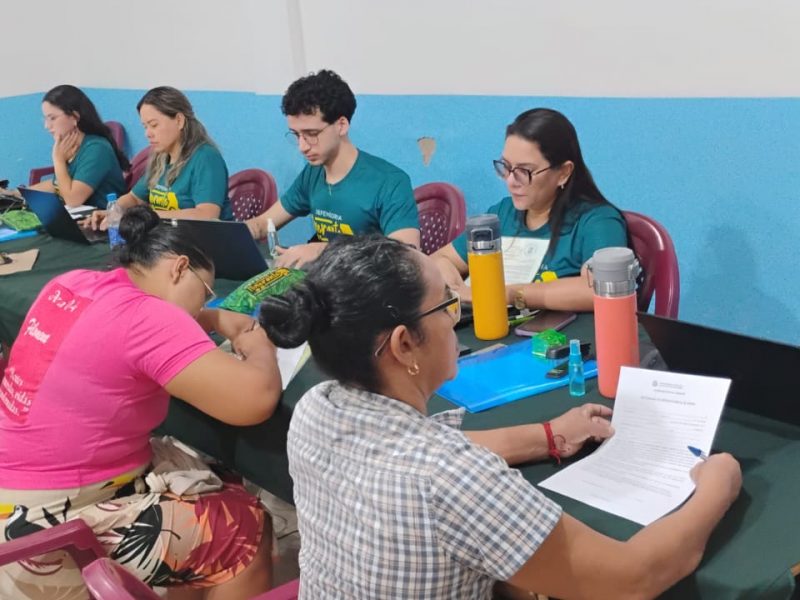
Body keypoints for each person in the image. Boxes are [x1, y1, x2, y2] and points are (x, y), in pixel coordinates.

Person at [260, 235, 742, 599]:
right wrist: (717, 485)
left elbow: (416, 451)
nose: (454, 322)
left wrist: (548, 434)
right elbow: (634, 576)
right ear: (405, 344)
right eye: (446, 307)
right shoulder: (451, 479)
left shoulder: (315, 407)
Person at [0, 206, 280, 599]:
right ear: (180, 268)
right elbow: (255, 399)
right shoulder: (145, 317)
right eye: (205, 293)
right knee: (243, 528)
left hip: (13, 490)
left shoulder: (73, 283)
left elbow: (124, 338)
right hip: (48, 526)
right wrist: (257, 343)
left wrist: (212, 320)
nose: (202, 305)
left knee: (217, 480)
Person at [434, 108, 628, 312]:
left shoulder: (597, 221)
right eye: (505, 167)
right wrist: (455, 287)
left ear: (563, 172)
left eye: (524, 171)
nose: (511, 181)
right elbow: (439, 259)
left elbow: (598, 289)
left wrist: (507, 294)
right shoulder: (503, 214)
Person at [245, 70, 419, 268]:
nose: (302, 146)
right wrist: (218, 234)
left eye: (311, 134)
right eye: (296, 135)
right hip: (323, 283)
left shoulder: (390, 182)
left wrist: (323, 249)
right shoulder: (312, 174)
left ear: (341, 125)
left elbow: (406, 258)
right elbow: (262, 224)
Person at [89, 86, 232, 229]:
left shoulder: (206, 158)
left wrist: (148, 216)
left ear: (179, 120)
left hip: (202, 245)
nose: (148, 133)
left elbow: (207, 215)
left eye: (154, 125)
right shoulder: (161, 158)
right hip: (166, 241)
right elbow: (134, 198)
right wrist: (113, 212)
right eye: (145, 127)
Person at [30, 85, 128, 208]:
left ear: (75, 116)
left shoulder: (96, 149)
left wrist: (58, 160)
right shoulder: (70, 146)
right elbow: (59, 184)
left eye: (52, 118)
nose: (47, 126)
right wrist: (16, 193)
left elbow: (73, 200)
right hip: (77, 220)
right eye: (45, 119)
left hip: (101, 222)